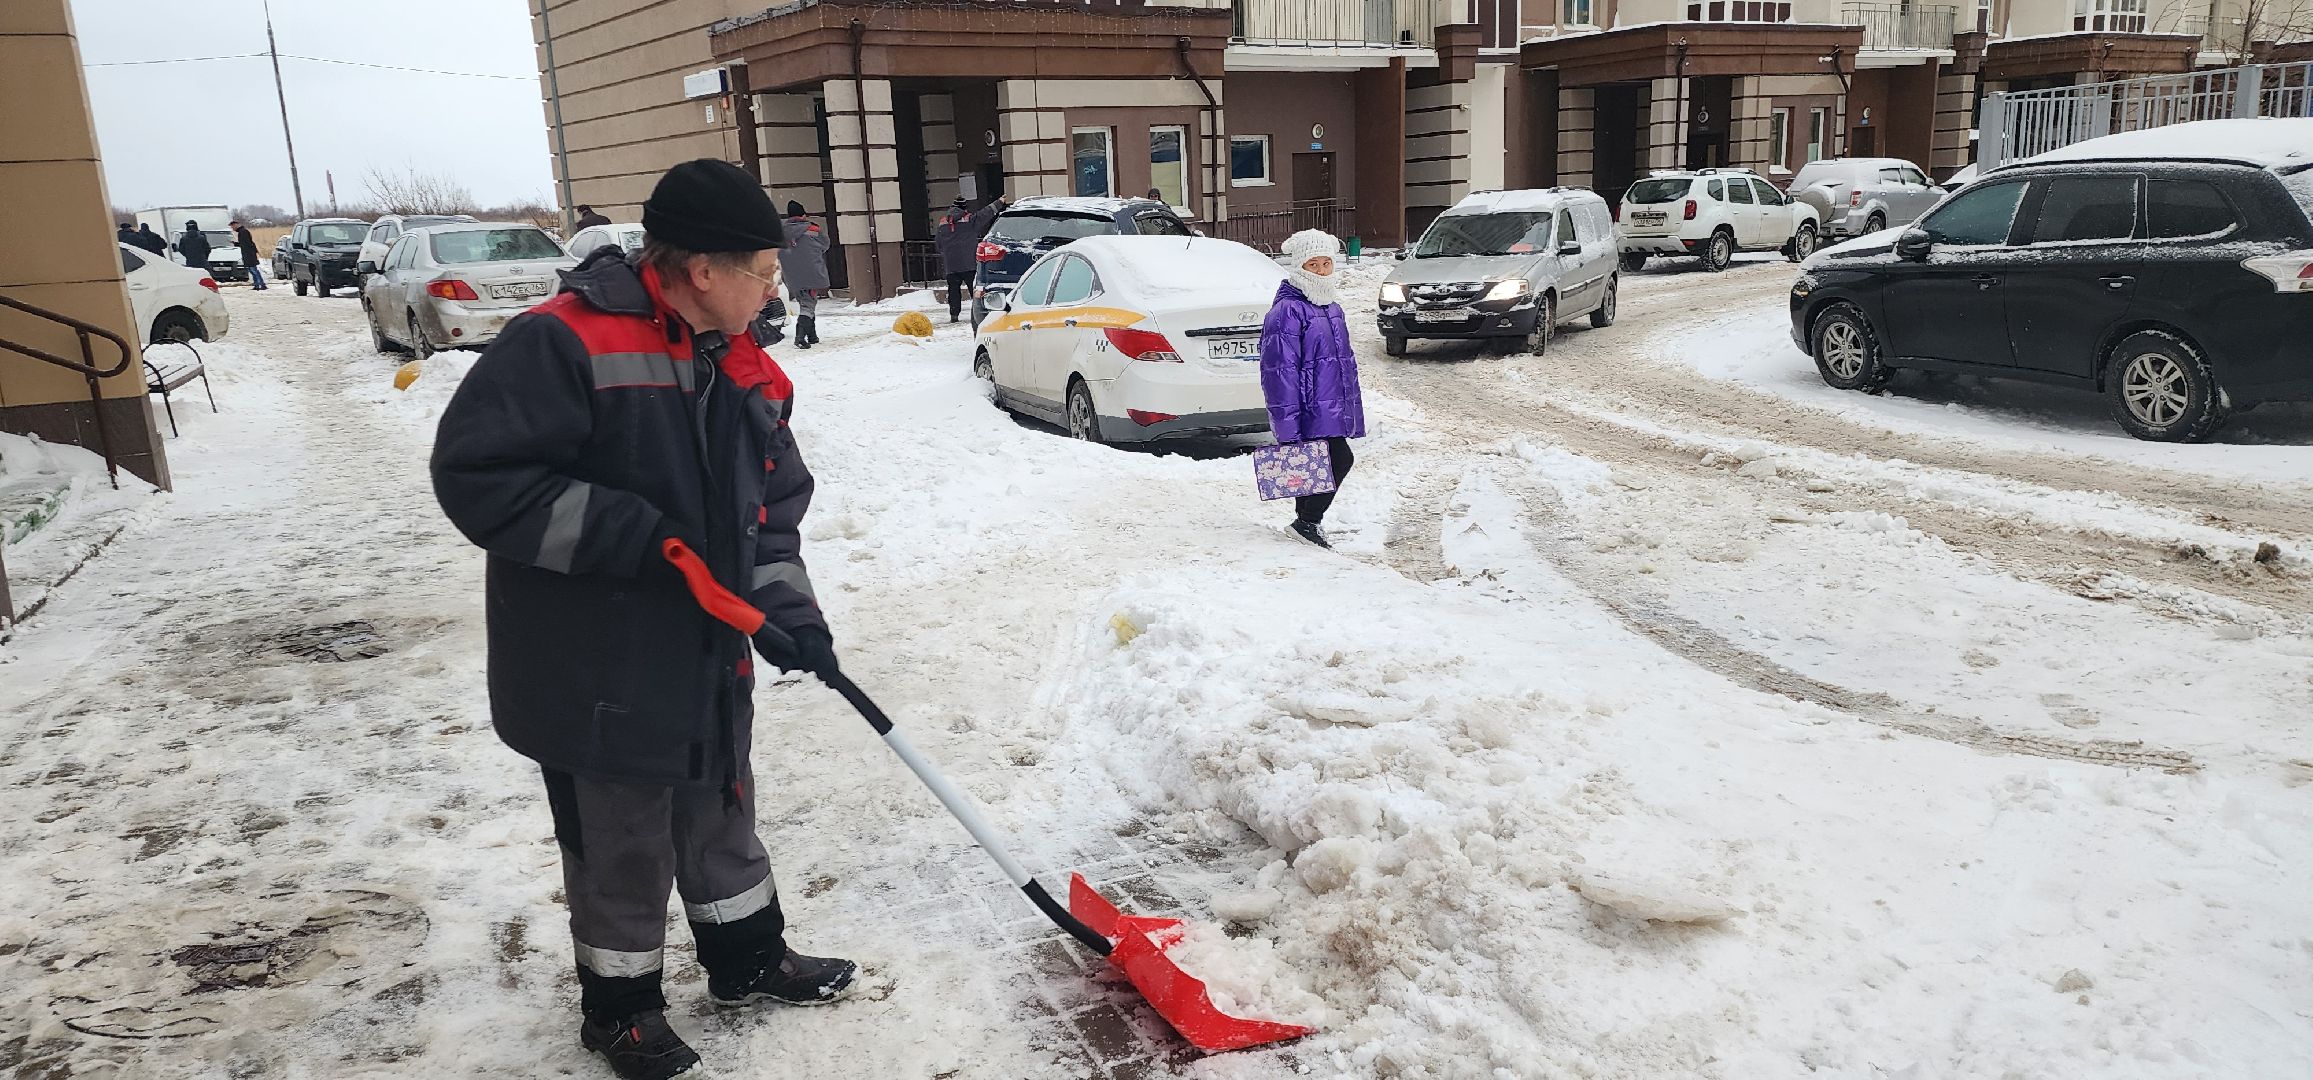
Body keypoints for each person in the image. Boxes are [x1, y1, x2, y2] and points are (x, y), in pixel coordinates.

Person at [431, 159, 854, 1080]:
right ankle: (620, 1010)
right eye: (764, 269)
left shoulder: (741, 364)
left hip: (705, 648)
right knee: (621, 835)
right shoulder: (560, 342)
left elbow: (770, 510)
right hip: (597, 661)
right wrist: (633, 536)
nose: (775, 285)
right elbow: (479, 478)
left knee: (719, 803)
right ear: (702, 269)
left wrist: (791, 615)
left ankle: (745, 959)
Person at [1259, 229, 1365, 549]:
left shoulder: (1332, 307)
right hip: (1306, 406)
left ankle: (1305, 524)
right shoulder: (1287, 311)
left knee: (1323, 462)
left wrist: (1349, 404)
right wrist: (1287, 422)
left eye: (1325, 264)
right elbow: (1279, 372)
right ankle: (1306, 522)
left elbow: (1343, 361)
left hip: (1329, 405)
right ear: (1299, 267)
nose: (1320, 271)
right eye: (1312, 264)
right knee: (1336, 459)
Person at [934, 193, 1009, 324]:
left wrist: (947, 253)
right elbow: (985, 213)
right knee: (973, 289)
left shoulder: (943, 223)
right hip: (969, 263)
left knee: (953, 290)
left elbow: (938, 244)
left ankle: (954, 314)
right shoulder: (970, 220)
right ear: (964, 208)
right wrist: (999, 202)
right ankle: (977, 313)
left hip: (951, 264)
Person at [778, 201, 830, 349]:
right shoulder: (813, 229)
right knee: (808, 305)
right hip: (811, 272)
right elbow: (825, 245)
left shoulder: (780, 232)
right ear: (803, 215)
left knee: (805, 301)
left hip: (791, 275)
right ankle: (800, 337)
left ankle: (812, 336)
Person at [230, 220, 267, 290]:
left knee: (254, 270)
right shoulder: (242, 232)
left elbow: (246, 244)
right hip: (248, 254)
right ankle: (257, 284)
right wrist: (236, 244)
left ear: (236, 225)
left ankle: (261, 284)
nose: (232, 228)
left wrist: (237, 244)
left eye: (232, 226)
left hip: (249, 254)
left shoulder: (243, 232)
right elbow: (244, 243)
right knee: (252, 270)